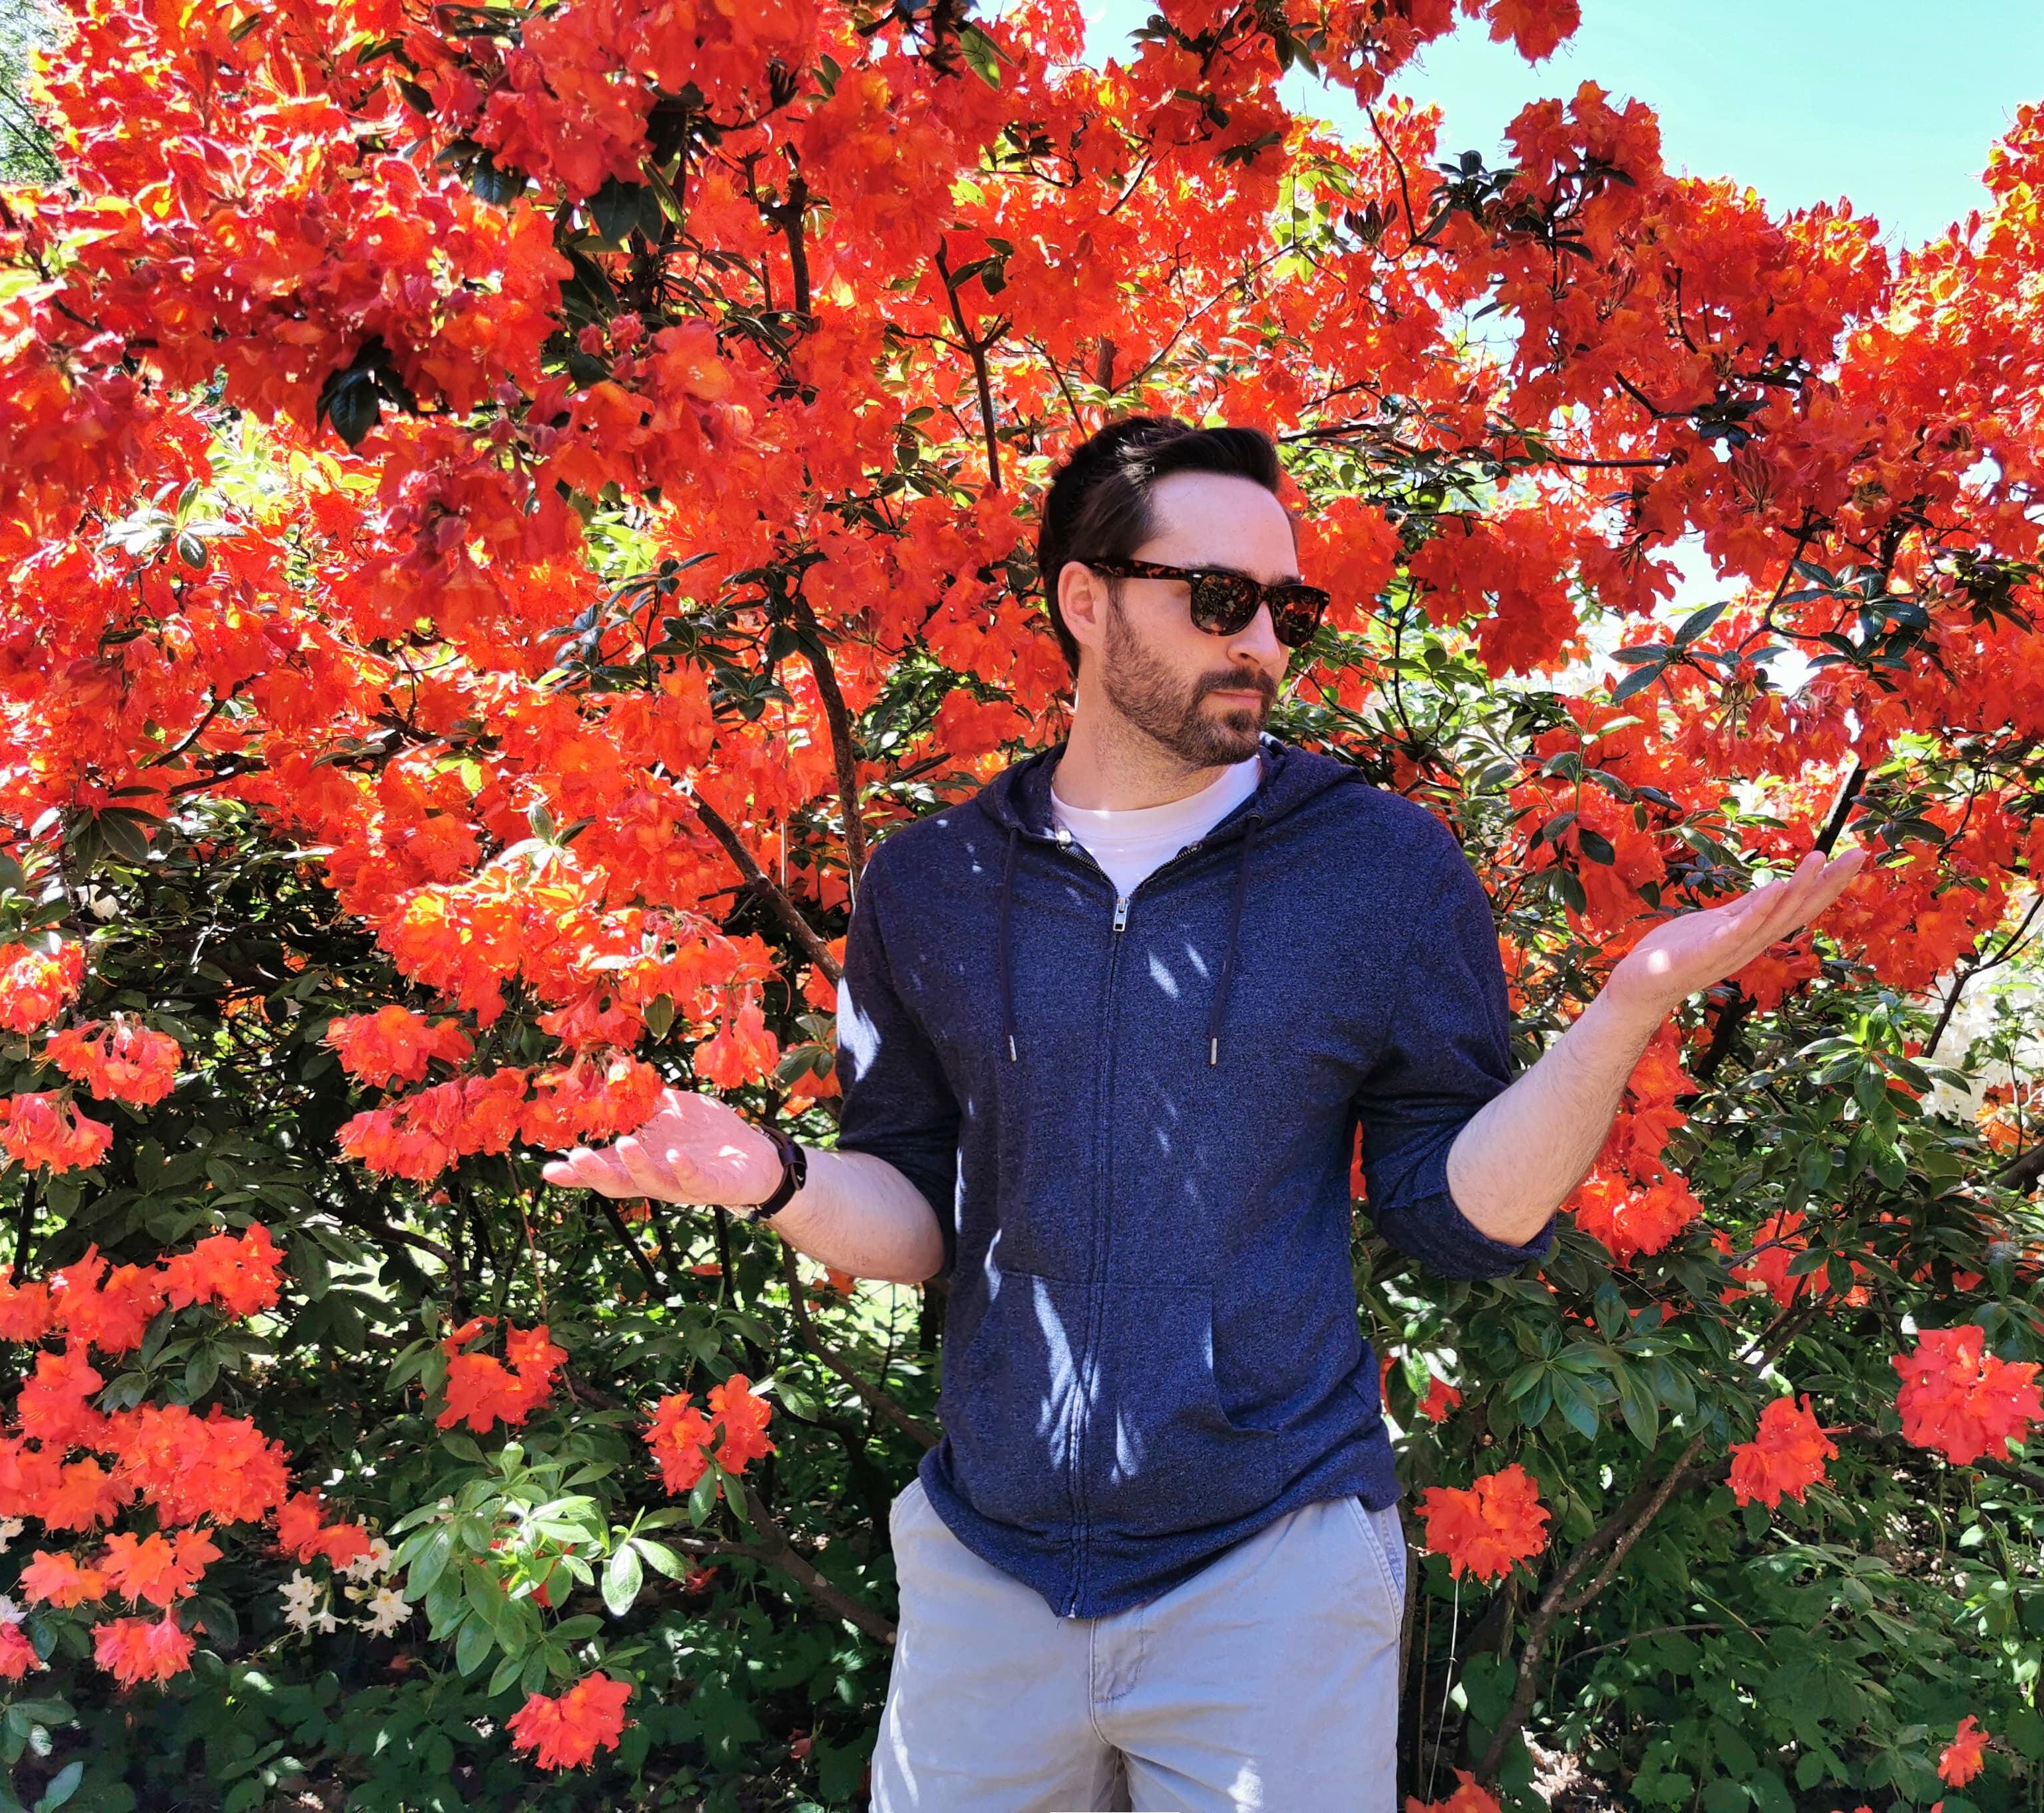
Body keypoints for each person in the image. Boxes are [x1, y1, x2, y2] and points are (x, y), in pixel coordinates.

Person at [541, 415, 1869, 1812]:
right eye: (1221, 600)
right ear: (1083, 597)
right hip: (987, 1577)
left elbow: (1455, 1210)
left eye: (1286, 609)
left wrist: (1623, 1013)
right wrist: (775, 1175)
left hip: (1270, 1573)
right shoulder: (930, 886)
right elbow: (918, 1221)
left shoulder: (1380, 870)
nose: (1265, 646)